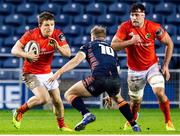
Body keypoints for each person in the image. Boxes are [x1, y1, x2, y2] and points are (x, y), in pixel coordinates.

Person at [48, 25, 141, 132]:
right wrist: (109, 94)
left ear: (92, 36)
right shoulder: (112, 50)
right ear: (104, 37)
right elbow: (117, 69)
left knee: (69, 94)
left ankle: (86, 114)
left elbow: (76, 60)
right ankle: (135, 125)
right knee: (119, 99)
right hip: (115, 80)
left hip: (99, 77)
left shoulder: (89, 45)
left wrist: (58, 72)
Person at [111, 3, 175, 131]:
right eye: (132, 15)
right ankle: (133, 119)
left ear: (143, 15)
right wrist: (130, 42)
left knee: (159, 92)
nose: (134, 17)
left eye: (137, 15)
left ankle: (168, 121)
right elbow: (113, 45)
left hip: (152, 67)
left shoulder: (153, 27)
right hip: (134, 70)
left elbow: (169, 43)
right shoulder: (125, 27)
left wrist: (166, 66)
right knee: (135, 103)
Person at [11, 11, 73, 131]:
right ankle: (19, 111)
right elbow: (14, 49)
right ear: (40, 25)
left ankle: (62, 126)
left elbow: (68, 53)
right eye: (46, 25)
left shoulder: (57, 34)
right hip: (30, 73)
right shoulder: (30, 34)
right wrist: (26, 54)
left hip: (47, 73)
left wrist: (58, 47)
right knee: (44, 99)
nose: (49, 28)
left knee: (58, 102)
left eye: (52, 24)